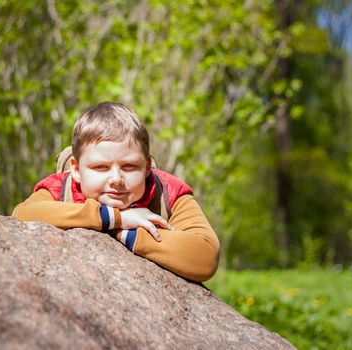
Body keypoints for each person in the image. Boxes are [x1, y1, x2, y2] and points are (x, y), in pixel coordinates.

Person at [12, 102, 219, 282]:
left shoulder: (169, 193)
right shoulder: (61, 187)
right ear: (75, 169)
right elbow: (22, 215)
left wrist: (128, 234)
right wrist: (114, 218)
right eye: (101, 167)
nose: (117, 180)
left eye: (129, 166)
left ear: (147, 166)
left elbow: (206, 255)